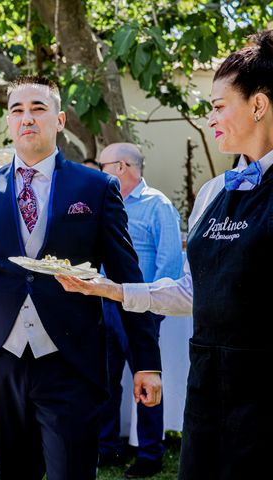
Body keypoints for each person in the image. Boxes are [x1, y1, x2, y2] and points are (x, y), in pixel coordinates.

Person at [56, 30, 273, 480]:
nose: (209, 117)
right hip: (208, 383)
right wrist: (114, 290)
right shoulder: (214, 192)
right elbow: (194, 291)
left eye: (217, 105)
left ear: (258, 105)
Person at [0, 75, 162, 480]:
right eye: (17, 110)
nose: (27, 119)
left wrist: (147, 362)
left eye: (37, 109)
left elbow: (129, 277)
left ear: (59, 120)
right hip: (0, 361)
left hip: (71, 360)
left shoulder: (96, 187)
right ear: (8, 122)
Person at [97, 143, 183, 477]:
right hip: (104, 304)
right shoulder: (105, 204)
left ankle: (150, 453)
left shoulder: (157, 205)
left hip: (140, 311)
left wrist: (150, 313)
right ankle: (107, 447)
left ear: (120, 167)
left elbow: (170, 264)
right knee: (105, 380)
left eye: (102, 166)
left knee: (147, 382)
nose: (98, 172)